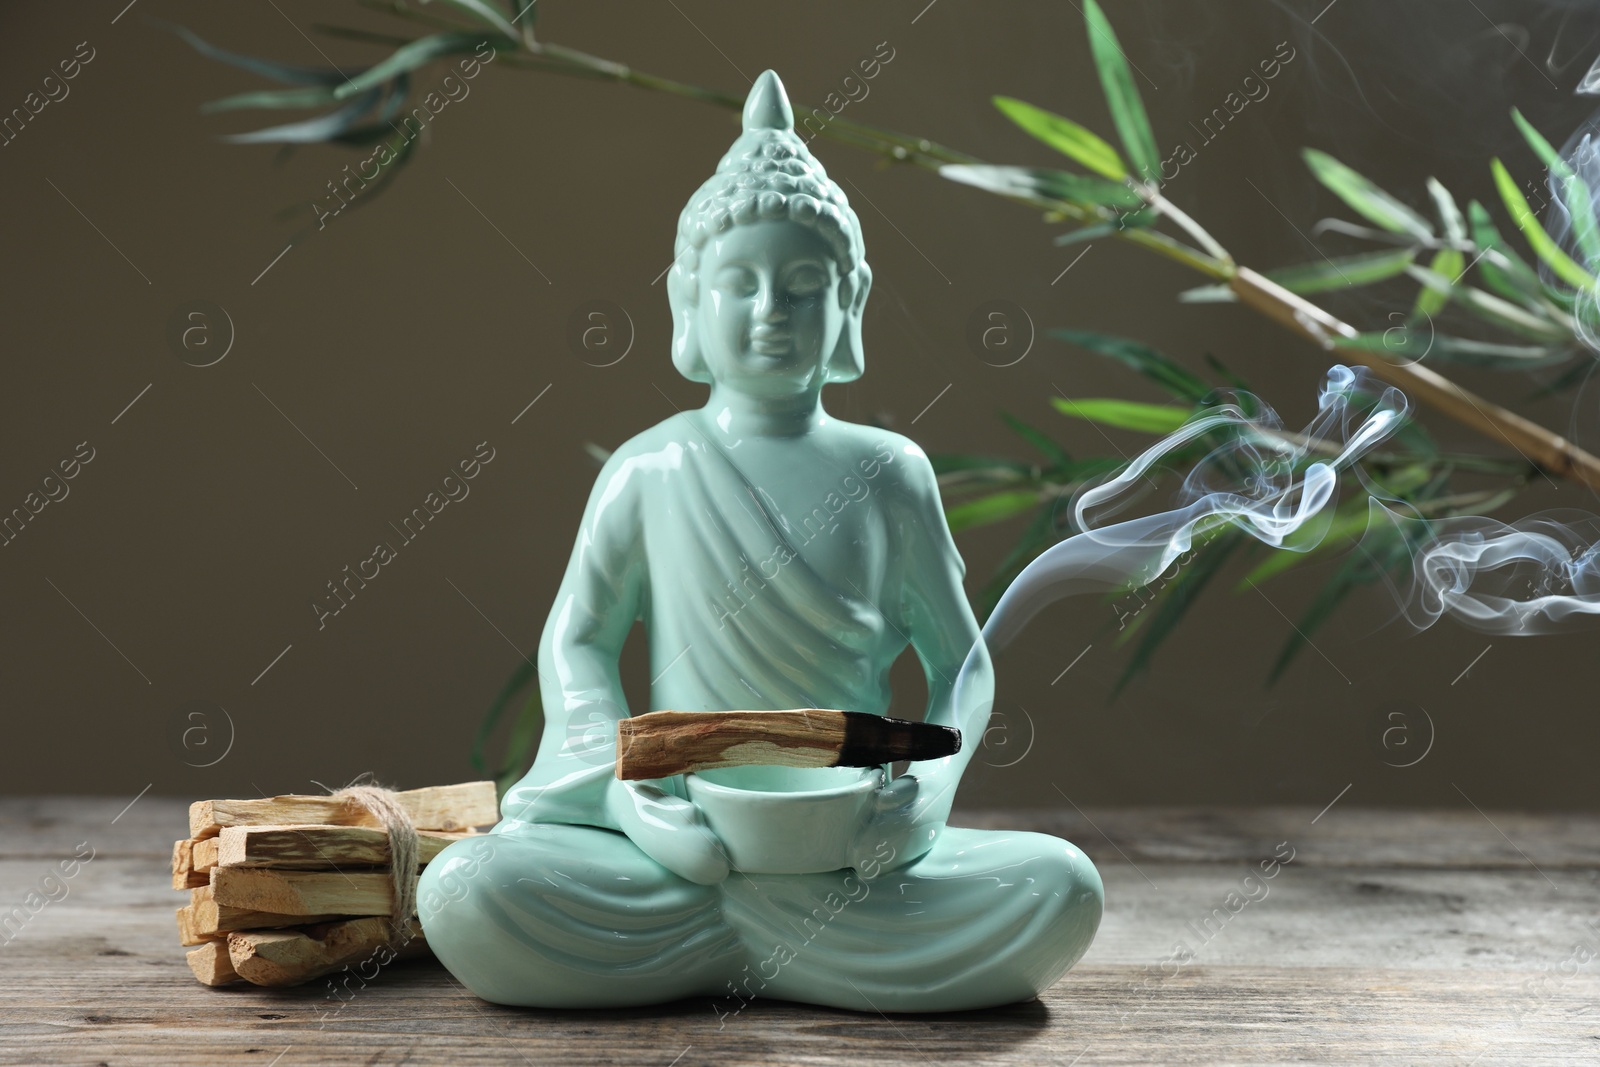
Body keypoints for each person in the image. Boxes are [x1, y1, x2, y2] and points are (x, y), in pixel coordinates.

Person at [418, 70, 1102, 1013]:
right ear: (686, 300)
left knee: (1059, 883)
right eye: (739, 282)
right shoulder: (649, 467)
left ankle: (733, 949)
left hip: (846, 848)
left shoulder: (890, 471)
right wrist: (625, 797)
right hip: (686, 842)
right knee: (469, 890)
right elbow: (577, 639)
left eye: (803, 284)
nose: (770, 310)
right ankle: (785, 950)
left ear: (851, 301)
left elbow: (965, 665)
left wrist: (929, 797)